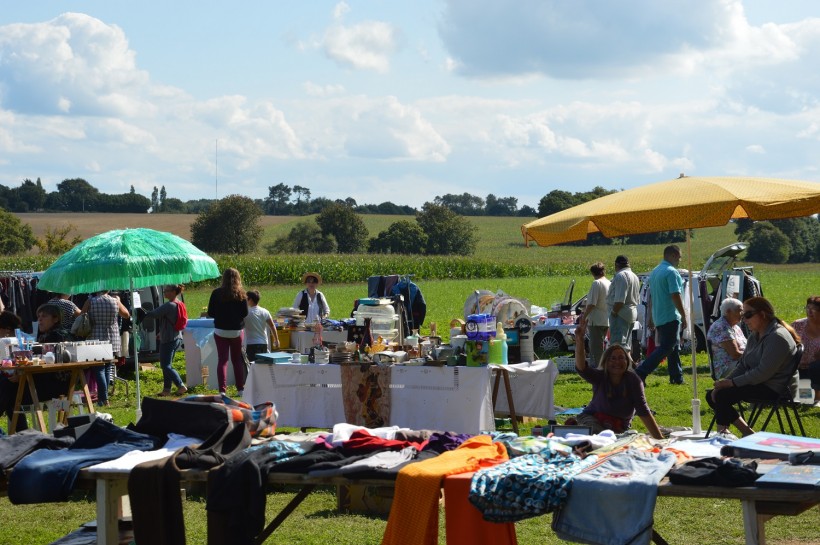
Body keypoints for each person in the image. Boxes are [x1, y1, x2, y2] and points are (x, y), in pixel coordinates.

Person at [706, 296, 799, 437]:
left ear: (762, 315)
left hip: (776, 388)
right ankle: (746, 433)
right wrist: (724, 383)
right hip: (762, 383)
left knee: (722, 396)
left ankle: (725, 434)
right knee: (714, 395)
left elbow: (763, 373)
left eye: (748, 315)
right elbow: (743, 364)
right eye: (743, 315)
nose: (744, 319)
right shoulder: (755, 335)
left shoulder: (777, 337)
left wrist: (731, 383)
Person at [572, 321, 663, 439]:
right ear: (606, 362)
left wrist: (659, 440)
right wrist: (580, 340)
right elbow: (581, 368)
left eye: (621, 358)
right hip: (593, 420)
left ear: (627, 361)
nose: (617, 362)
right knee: (597, 435)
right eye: (612, 359)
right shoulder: (600, 376)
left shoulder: (634, 381)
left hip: (618, 427)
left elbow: (643, 411)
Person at [0, 305, 71, 432]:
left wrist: (24, 376)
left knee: (8, 390)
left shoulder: (54, 336)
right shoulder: (48, 335)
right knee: (8, 389)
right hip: (56, 385)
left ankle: (23, 433)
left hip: (53, 387)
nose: (40, 320)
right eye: (38, 316)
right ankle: (23, 433)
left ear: (55, 319)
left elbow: (46, 368)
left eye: (44, 316)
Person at [636, 245, 687, 385]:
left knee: (673, 347)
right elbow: (675, 295)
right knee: (667, 347)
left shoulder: (655, 271)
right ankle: (641, 371)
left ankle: (677, 377)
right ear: (673, 255)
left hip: (659, 316)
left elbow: (652, 297)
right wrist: (683, 315)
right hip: (670, 315)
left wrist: (652, 316)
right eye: (679, 257)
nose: (679, 260)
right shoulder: (671, 272)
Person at [82, 291, 130, 407]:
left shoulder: (91, 301)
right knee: (108, 369)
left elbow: (82, 315)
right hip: (112, 336)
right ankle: (105, 398)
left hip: (96, 336)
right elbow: (126, 314)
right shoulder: (115, 300)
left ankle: (103, 399)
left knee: (99, 369)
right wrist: (118, 301)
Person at [208, 268, 249, 395]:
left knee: (222, 361)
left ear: (223, 278)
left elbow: (211, 312)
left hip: (220, 330)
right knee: (237, 360)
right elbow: (245, 313)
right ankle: (240, 389)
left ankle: (222, 390)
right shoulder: (241, 293)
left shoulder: (216, 293)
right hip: (236, 331)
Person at [143, 285, 188, 397]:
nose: (164, 293)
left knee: (165, 366)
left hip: (168, 339)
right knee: (167, 365)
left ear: (173, 292)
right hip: (177, 337)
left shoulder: (169, 305)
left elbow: (153, 314)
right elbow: (170, 321)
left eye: (166, 291)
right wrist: (160, 332)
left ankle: (180, 385)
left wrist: (139, 310)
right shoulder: (179, 304)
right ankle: (166, 390)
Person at [606, 255, 640, 352]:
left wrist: (613, 312)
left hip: (620, 314)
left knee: (617, 345)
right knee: (626, 346)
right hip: (631, 312)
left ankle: (620, 366)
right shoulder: (634, 276)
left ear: (616, 265)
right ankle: (628, 366)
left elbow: (620, 300)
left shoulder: (621, 276)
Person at [706, 297, 747, 380]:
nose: (742, 314)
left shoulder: (735, 327)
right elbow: (735, 354)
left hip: (739, 361)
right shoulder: (722, 327)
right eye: (739, 311)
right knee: (758, 367)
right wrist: (755, 356)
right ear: (728, 312)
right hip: (726, 365)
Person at [579, 262, 610, 368]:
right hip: (606, 319)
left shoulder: (596, 283)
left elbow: (592, 303)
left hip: (596, 320)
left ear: (593, 273)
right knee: (601, 345)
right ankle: (601, 366)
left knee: (596, 347)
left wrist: (584, 316)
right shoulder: (608, 282)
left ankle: (598, 368)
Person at [791, 295, 820, 406]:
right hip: (800, 369)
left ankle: (818, 398)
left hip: (817, 368)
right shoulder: (797, 325)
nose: (809, 312)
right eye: (808, 308)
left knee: (816, 366)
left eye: (814, 309)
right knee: (805, 400)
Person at [244, 290, 280, 363]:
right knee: (262, 365)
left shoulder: (246, 313)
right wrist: (276, 339)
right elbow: (272, 326)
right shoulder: (265, 311)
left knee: (252, 366)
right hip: (263, 343)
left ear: (250, 300)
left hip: (251, 344)